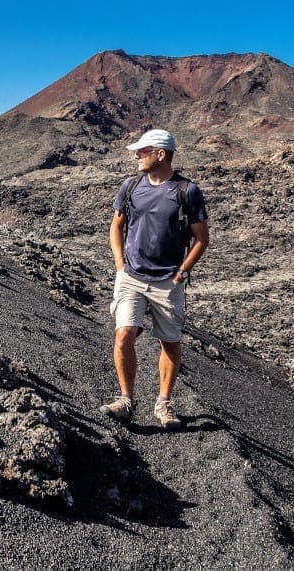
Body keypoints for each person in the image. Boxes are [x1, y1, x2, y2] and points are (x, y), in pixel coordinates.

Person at [99, 128, 209, 429]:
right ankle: (125, 400)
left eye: (143, 151)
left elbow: (202, 238)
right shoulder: (131, 185)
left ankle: (163, 404)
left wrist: (182, 272)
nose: (136, 156)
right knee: (124, 334)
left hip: (167, 282)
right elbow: (116, 226)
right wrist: (120, 263)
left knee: (170, 343)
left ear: (161, 154)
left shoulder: (187, 191)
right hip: (131, 275)